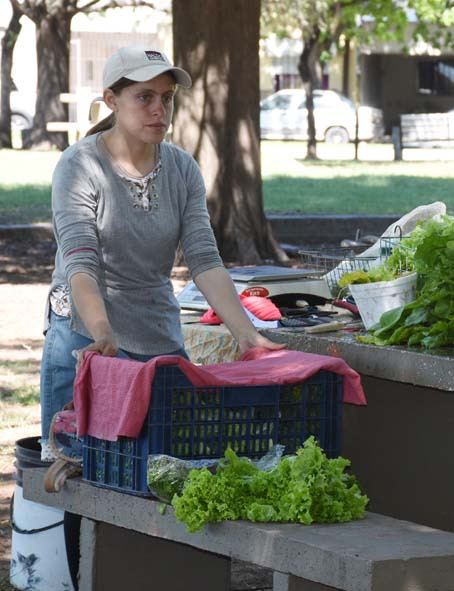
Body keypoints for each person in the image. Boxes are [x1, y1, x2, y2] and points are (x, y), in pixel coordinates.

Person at [41, 45, 283, 460]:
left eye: (167, 98)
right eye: (145, 97)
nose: (160, 110)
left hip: (156, 332)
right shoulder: (78, 165)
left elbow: (205, 259)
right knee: (78, 473)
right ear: (112, 100)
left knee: (169, 465)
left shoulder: (181, 168)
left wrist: (247, 335)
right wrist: (102, 334)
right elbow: (81, 262)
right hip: (86, 335)